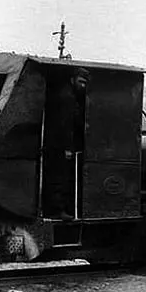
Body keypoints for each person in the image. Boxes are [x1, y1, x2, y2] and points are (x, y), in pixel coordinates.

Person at [43, 67, 89, 220]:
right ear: (72, 79)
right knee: (60, 177)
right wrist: (68, 147)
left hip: (55, 143)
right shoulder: (67, 98)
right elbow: (65, 124)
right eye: (81, 82)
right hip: (59, 145)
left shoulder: (66, 94)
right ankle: (57, 210)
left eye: (85, 83)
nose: (83, 86)